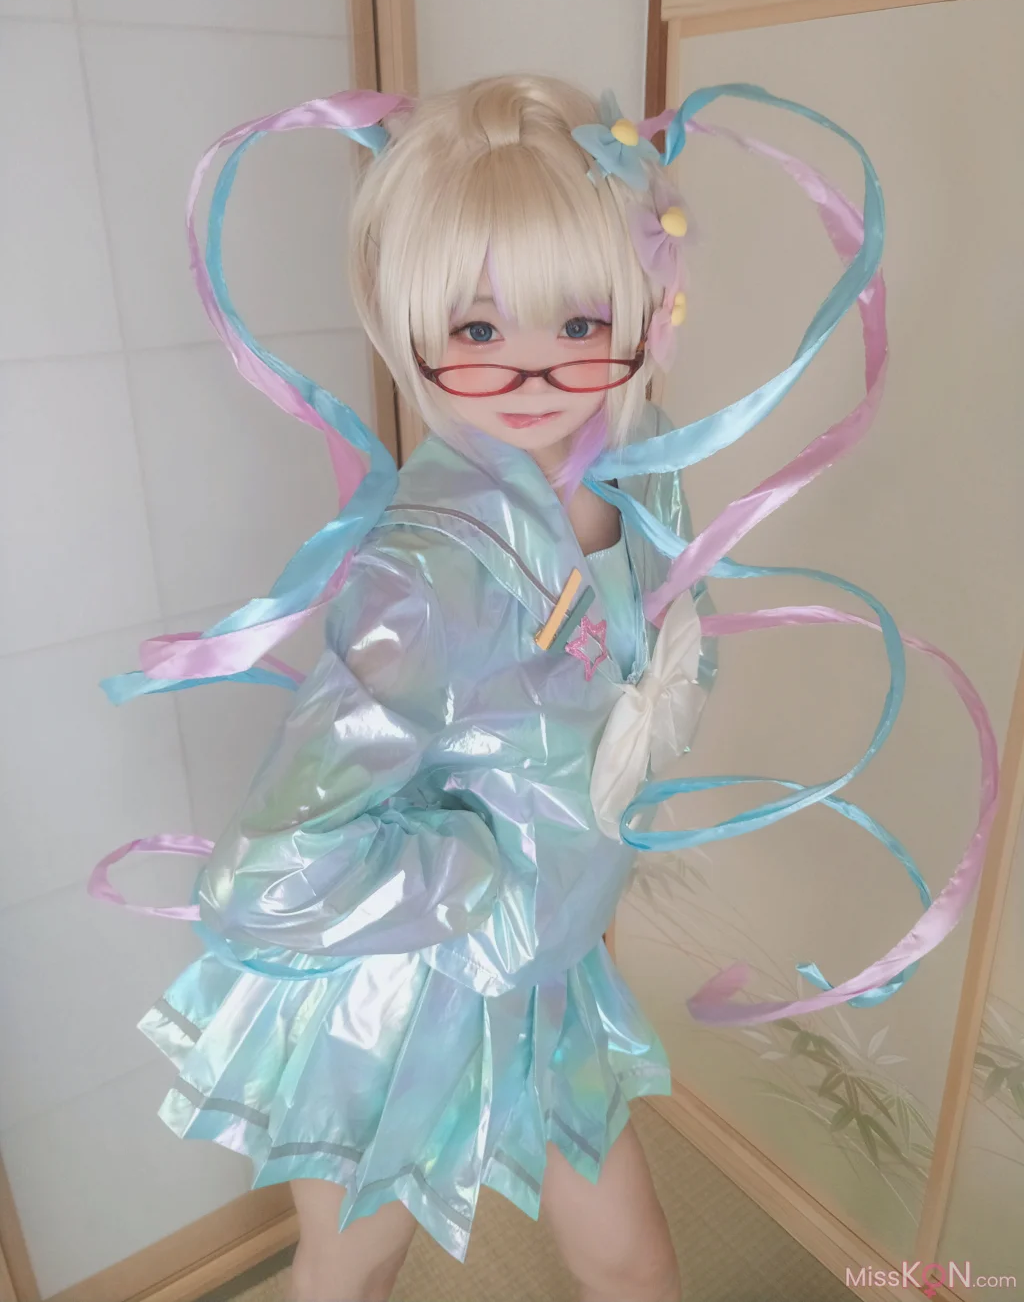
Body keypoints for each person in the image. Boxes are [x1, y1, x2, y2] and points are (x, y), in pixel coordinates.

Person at [91, 72, 997, 1302]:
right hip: (393, 998)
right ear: (410, 324)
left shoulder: (642, 474)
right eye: (476, 331)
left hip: (548, 976)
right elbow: (262, 877)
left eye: (577, 322)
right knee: (353, 1267)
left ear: (645, 302)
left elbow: (661, 650)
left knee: (632, 1258)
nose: (531, 369)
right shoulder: (420, 578)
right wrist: (479, 876)